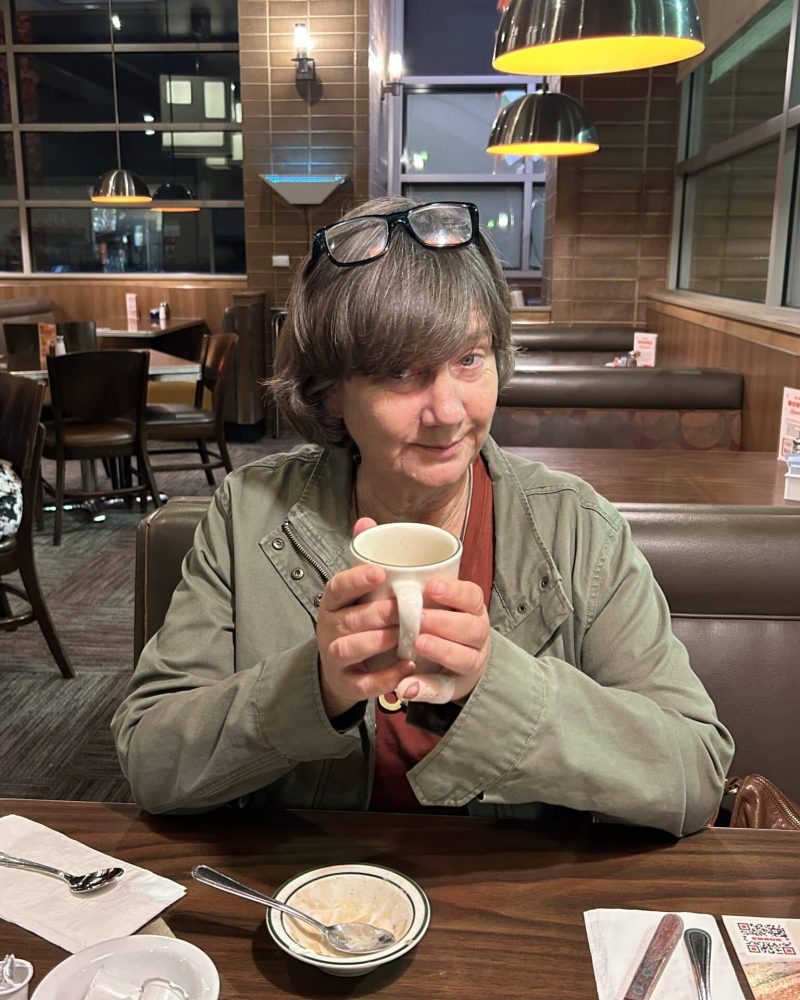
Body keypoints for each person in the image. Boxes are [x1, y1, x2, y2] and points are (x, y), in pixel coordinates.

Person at [112, 196, 733, 835]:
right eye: (401, 373)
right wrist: (315, 685)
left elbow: (694, 776)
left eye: (469, 359)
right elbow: (152, 762)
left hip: (507, 906)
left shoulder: (577, 530)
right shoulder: (247, 517)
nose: (447, 411)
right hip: (302, 902)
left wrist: (496, 684)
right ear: (331, 391)